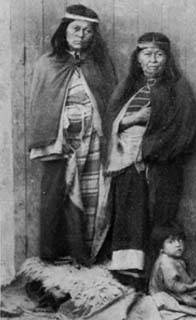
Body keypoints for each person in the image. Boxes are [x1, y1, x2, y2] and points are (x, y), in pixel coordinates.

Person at [103, 32, 196, 283]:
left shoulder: (177, 89)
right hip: (126, 165)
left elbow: (184, 129)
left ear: (167, 59)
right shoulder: (128, 88)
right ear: (138, 58)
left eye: (159, 55)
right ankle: (126, 274)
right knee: (128, 216)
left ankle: (152, 279)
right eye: (147, 54)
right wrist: (134, 119)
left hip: (159, 166)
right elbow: (112, 121)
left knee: (157, 216)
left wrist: (150, 151)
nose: (153, 60)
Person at [28, 4, 116, 265]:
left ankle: (85, 255)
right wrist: (59, 133)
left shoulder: (99, 64)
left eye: (88, 31)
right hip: (60, 143)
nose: (81, 35)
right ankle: (53, 256)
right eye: (76, 29)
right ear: (64, 30)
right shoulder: (47, 64)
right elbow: (41, 105)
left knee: (92, 196)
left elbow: (109, 103)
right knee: (56, 196)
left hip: (92, 142)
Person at [149, 226, 196, 309]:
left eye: (179, 240)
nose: (178, 245)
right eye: (171, 242)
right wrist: (194, 286)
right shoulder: (166, 262)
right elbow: (175, 286)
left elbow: (183, 278)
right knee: (194, 302)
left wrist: (194, 282)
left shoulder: (176, 260)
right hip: (166, 294)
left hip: (176, 291)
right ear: (161, 248)